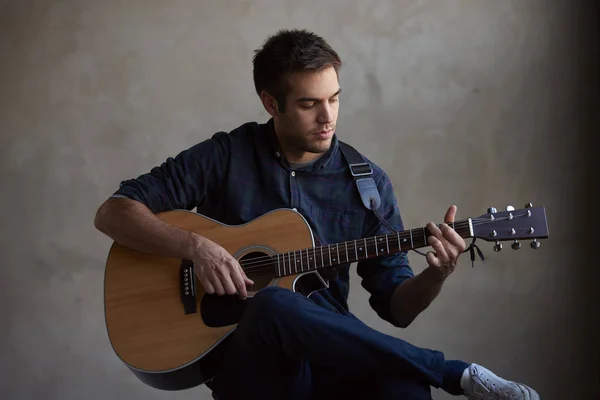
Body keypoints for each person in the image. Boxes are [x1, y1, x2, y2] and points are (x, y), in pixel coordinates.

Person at [94, 29, 540, 400]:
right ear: (272, 104)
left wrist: (435, 276)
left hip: (334, 356)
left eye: (334, 99)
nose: (328, 117)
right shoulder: (226, 156)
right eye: (309, 104)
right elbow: (114, 211)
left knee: (405, 391)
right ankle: (453, 373)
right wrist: (196, 248)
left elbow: (396, 309)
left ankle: (440, 375)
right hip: (249, 364)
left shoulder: (367, 186)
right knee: (270, 303)